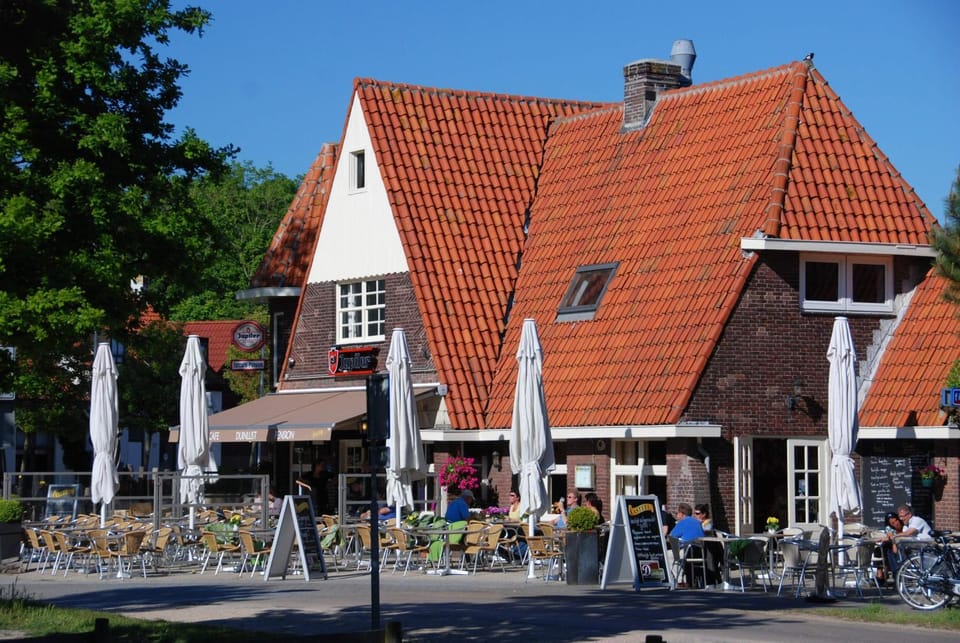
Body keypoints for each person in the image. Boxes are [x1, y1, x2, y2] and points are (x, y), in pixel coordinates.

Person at [877, 511, 904, 583]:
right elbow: (890, 536)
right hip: (892, 544)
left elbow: (894, 537)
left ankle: (883, 574)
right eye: (892, 523)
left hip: (903, 545)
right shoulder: (889, 528)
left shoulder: (905, 525)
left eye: (896, 520)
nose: (895, 523)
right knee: (880, 549)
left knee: (887, 551)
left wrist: (888, 539)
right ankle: (881, 572)